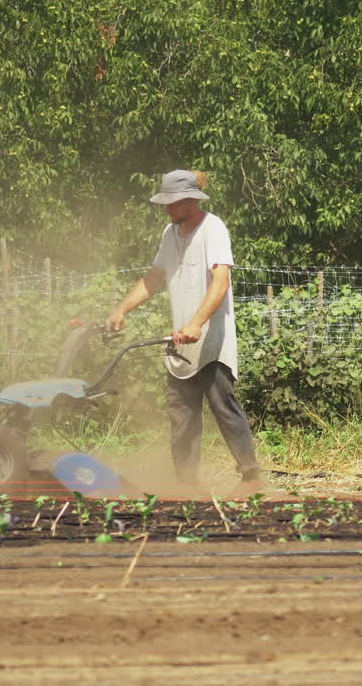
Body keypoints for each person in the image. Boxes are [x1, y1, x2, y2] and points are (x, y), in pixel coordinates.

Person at [107, 169, 265, 492]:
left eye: (172, 203)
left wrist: (196, 323)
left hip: (211, 340)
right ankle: (187, 485)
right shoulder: (170, 234)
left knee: (224, 407)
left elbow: (221, 282)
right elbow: (152, 279)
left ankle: (252, 478)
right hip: (181, 343)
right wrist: (122, 309)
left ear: (190, 200)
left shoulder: (213, 229)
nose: (166, 209)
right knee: (181, 417)